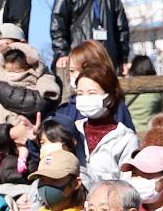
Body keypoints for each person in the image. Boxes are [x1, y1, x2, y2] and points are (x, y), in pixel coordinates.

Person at [0, 34, 60, 184]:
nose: (0, 53)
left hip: (34, 173)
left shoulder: (41, 76)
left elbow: (38, 102)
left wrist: (1, 89)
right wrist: (9, 132)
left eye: (5, 46)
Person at [53, 41, 139, 189]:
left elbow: (129, 179)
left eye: (91, 93)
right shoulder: (69, 120)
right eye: (72, 71)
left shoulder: (123, 132)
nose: (77, 76)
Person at [124, 55, 163, 129]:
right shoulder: (156, 91)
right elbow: (159, 111)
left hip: (128, 131)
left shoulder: (125, 87)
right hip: (148, 132)